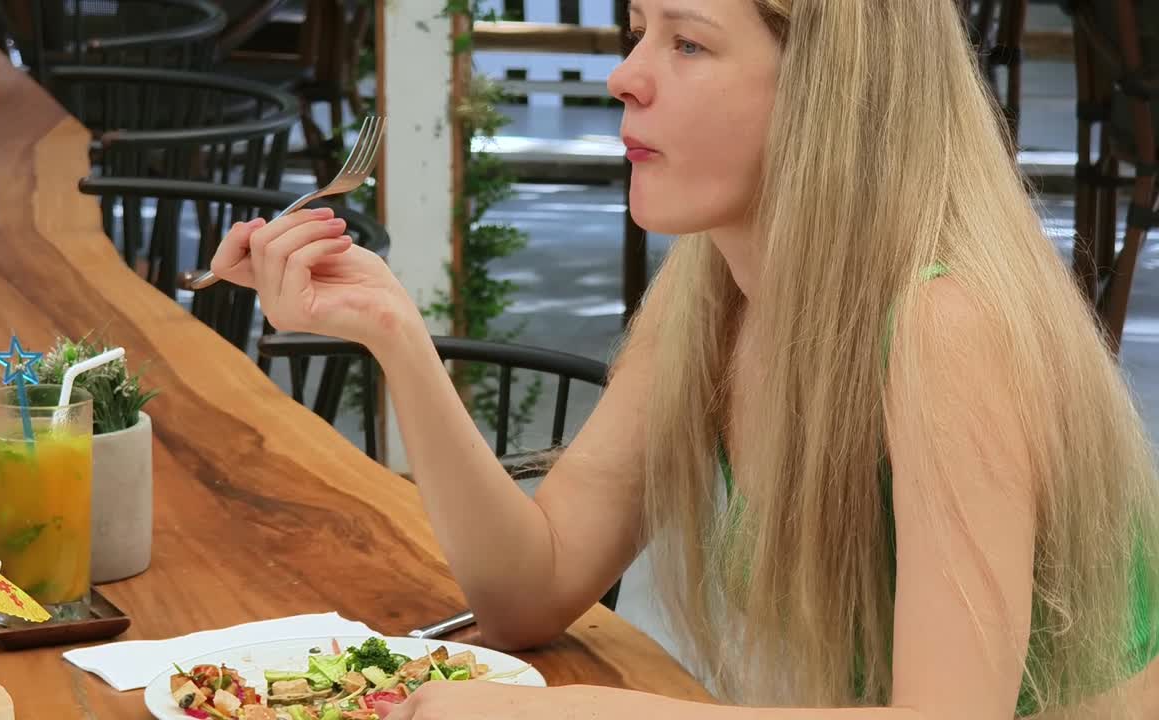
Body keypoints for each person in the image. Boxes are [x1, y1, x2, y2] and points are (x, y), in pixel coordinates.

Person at [209, 1, 1159, 717]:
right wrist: (394, 335)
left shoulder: (944, 325)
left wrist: (570, 711)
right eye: (637, 31)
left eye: (688, 42)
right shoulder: (709, 292)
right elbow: (528, 593)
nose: (626, 75)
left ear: (831, 91)